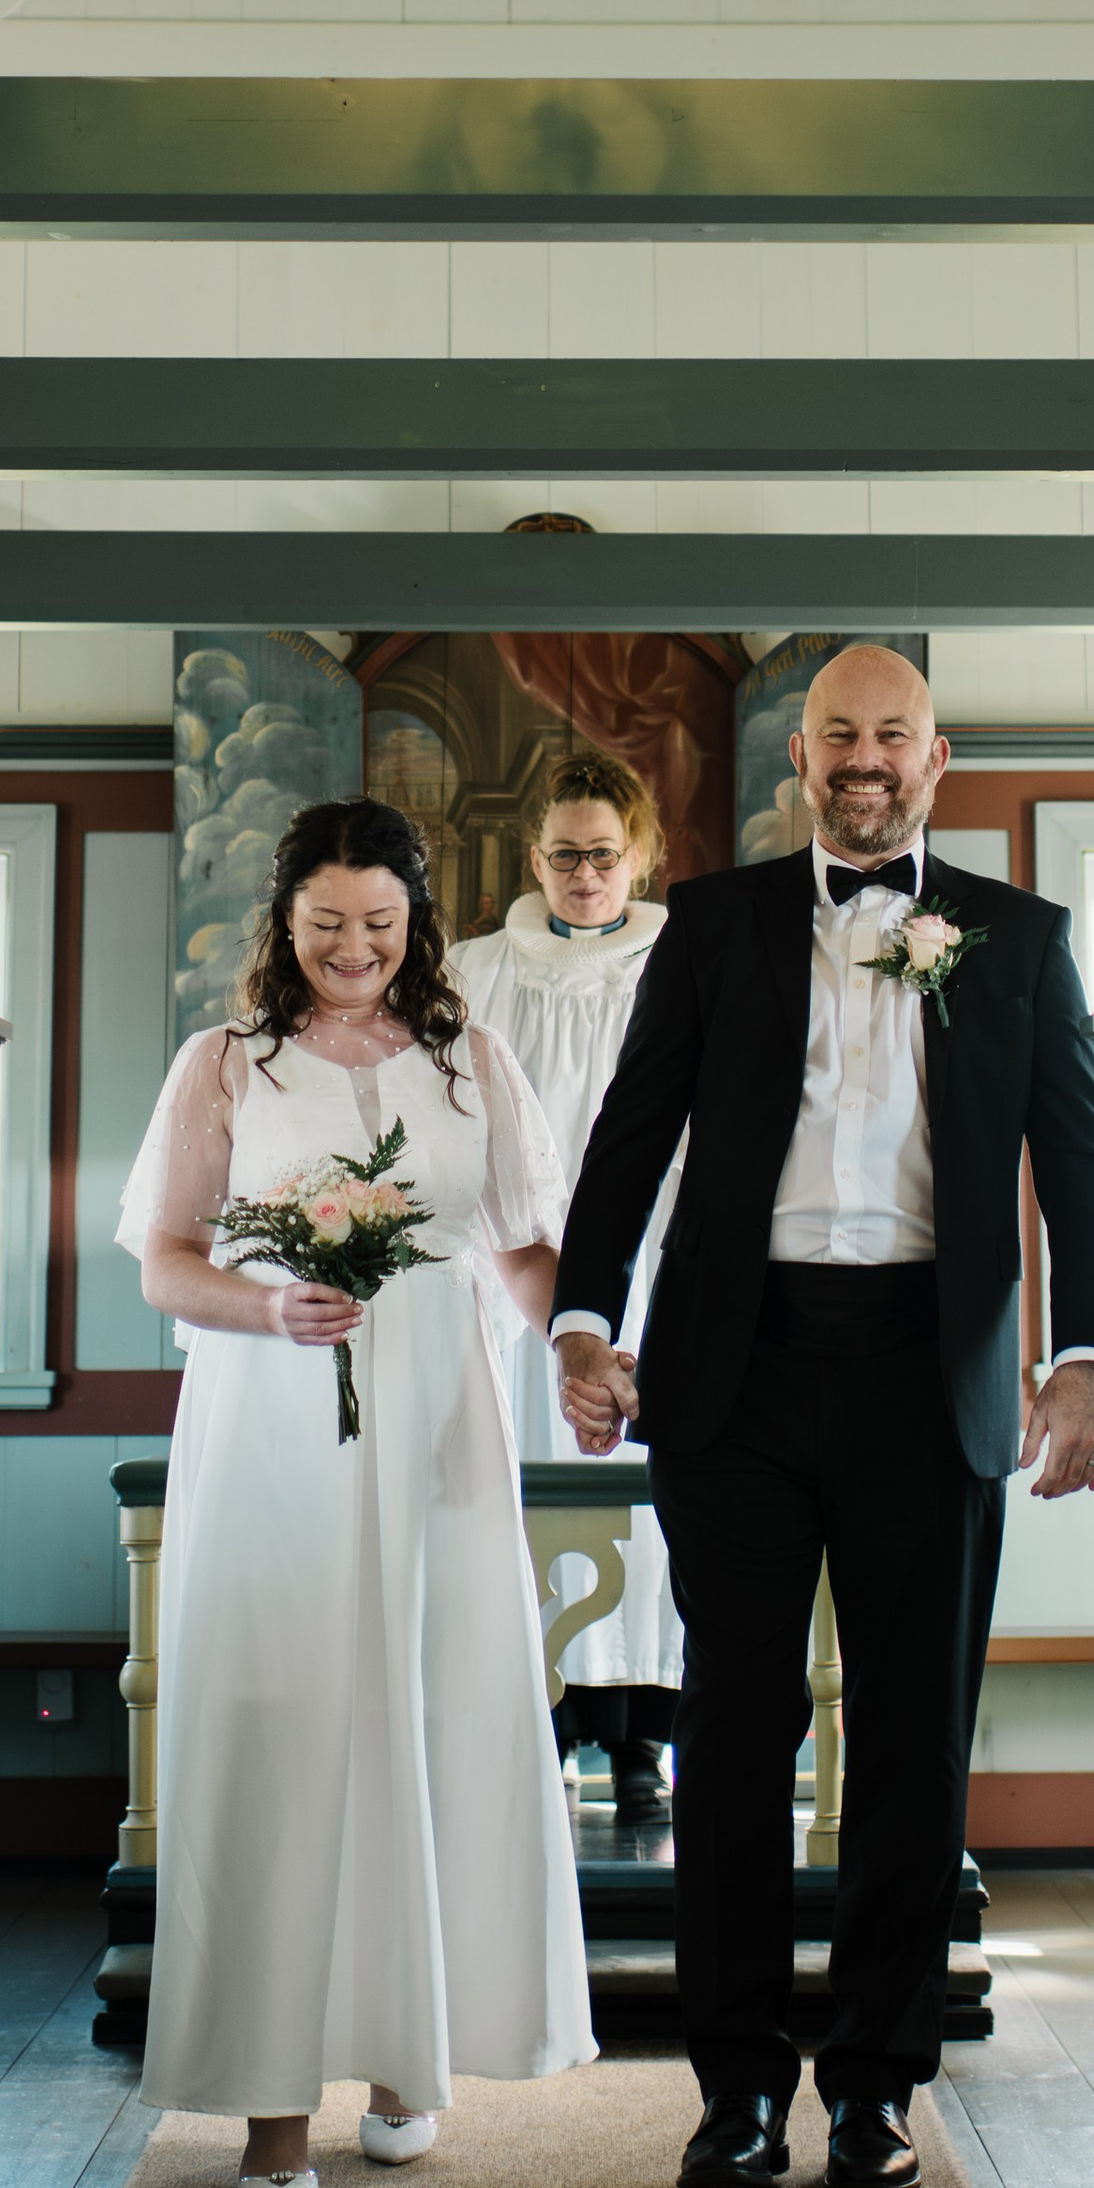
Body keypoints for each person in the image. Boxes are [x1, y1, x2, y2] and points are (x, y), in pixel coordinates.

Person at [550, 646, 1094, 2188]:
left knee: (915, 1743)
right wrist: (583, 1318)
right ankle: (735, 2088)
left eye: (893, 735)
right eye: (840, 734)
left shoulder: (1019, 937)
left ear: (937, 756)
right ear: (800, 757)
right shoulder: (714, 923)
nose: (867, 758)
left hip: (934, 1377)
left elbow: (1076, 1159)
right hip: (736, 1373)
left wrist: (1079, 1357)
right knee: (734, 1737)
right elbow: (631, 1134)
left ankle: (875, 2088)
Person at [118, 795, 595, 2188]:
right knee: (282, 1729)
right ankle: (272, 2111)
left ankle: (404, 2061)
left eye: (379, 924)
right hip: (273, 1420)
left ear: (415, 922)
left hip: (440, 1419)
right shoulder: (225, 1065)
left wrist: (580, 1347)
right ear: (284, 922)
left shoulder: (470, 1060)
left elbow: (521, 1251)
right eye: (326, 924)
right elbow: (164, 1261)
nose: (353, 948)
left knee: (430, 1713)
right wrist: (268, 1307)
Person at [447, 750, 682, 1824]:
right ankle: (539, 1722)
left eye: (603, 855)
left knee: (647, 1504)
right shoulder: (477, 971)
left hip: (653, 1255)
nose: (584, 876)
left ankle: (641, 1738)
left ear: (640, 855)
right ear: (533, 858)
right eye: (564, 856)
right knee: (521, 1480)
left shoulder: (683, 959)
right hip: (519, 1271)